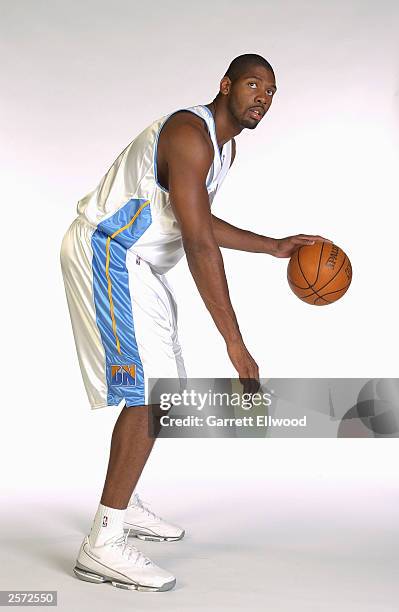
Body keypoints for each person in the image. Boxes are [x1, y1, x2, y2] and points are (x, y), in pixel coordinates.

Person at [60, 53, 328, 592]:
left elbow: (196, 218)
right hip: (110, 252)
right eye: (254, 84)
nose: (263, 98)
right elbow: (200, 242)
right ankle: (103, 543)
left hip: (140, 262)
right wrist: (236, 344)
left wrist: (273, 246)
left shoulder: (222, 147)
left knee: (162, 391)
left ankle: (124, 501)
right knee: (153, 396)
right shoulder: (190, 134)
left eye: (271, 92)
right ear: (226, 84)